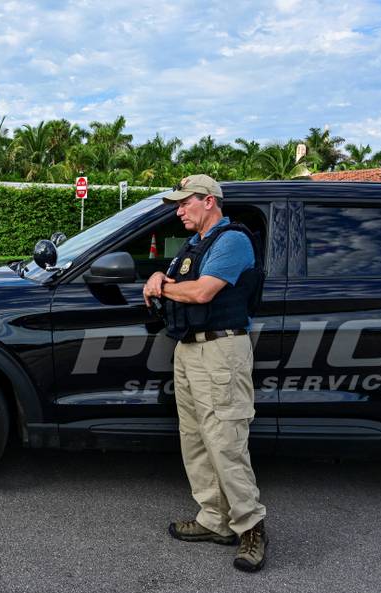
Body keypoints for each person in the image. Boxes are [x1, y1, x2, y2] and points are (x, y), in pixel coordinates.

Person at [142, 174, 268, 572]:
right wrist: (160, 276)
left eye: (185, 203)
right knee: (195, 438)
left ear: (209, 201)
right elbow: (177, 281)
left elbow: (201, 292)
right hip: (190, 349)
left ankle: (251, 527)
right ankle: (214, 520)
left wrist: (161, 285)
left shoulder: (232, 240)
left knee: (226, 439)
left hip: (221, 349)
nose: (178, 210)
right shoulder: (194, 247)